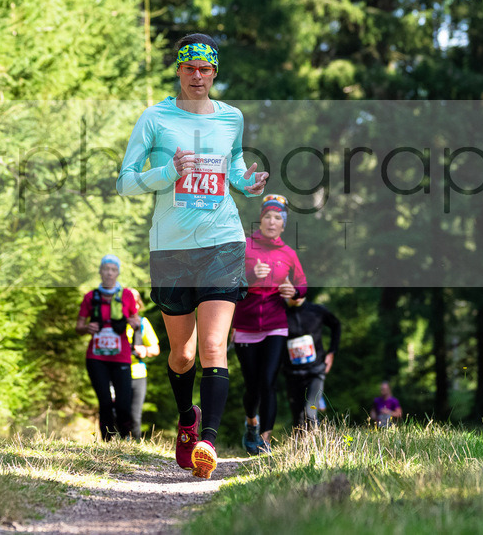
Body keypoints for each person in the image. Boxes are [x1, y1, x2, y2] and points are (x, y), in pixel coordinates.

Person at [116, 33, 268, 479]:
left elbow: (234, 164)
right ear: (178, 71)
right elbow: (125, 181)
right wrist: (167, 172)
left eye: (205, 69)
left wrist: (246, 182)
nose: (197, 76)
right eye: (189, 68)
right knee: (181, 355)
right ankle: (188, 420)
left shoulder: (231, 118)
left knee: (214, 345)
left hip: (223, 240)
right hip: (172, 249)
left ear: (214, 72)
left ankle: (209, 442)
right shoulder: (154, 118)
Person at [233, 194, 307, 454]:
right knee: (252, 386)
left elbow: (302, 285)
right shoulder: (245, 246)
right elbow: (231, 281)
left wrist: (293, 292)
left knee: (268, 382)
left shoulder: (288, 253)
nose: (272, 221)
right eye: (268, 216)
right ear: (261, 220)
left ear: (283, 225)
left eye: (278, 217)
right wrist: (252, 275)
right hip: (245, 325)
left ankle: (264, 441)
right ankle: (251, 422)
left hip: (276, 325)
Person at [75, 255, 143, 441]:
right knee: (104, 401)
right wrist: (86, 328)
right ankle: (107, 441)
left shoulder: (127, 295)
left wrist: (133, 322)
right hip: (96, 357)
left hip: (121, 357)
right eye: (106, 269)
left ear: (118, 272)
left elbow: (136, 320)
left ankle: (125, 437)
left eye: (113, 269)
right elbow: (78, 326)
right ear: (100, 271)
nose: (109, 273)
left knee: (123, 403)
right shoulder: (90, 297)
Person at [282, 296, 341, 431]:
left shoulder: (316, 311)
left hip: (316, 371)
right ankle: (302, 449)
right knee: (298, 418)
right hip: (292, 374)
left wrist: (332, 352)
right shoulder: (279, 313)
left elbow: (336, 325)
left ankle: (317, 446)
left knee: (310, 413)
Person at [128, 310, 160, 439]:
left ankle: (134, 445)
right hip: (114, 371)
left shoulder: (142, 323)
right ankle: (110, 445)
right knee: (115, 412)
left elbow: (155, 349)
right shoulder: (112, 321)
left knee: (135, 415)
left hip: (138, 373)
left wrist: (144, 350)